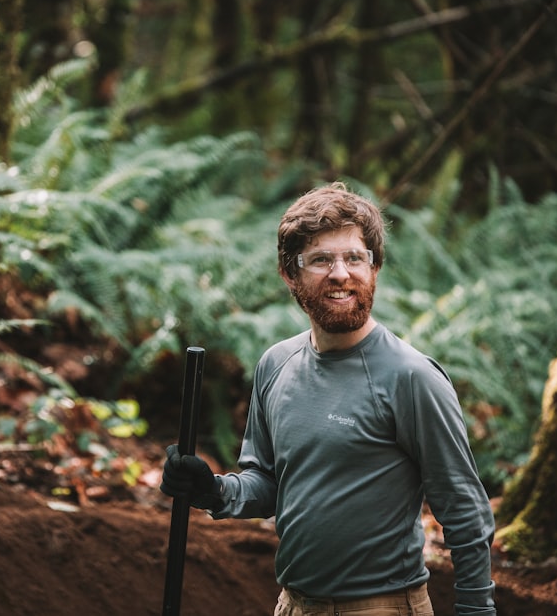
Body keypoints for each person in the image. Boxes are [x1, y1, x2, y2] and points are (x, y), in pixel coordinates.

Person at [160, 182, 496, 615]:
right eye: (321, 260)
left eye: (355, 257)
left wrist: (476, 611)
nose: (341, 273)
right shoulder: (276, 365)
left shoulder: (411, 378)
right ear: (290, 274)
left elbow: (465, 512)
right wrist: (212, 490)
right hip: (293, 605)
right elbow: (266, 484)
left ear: (374, 268)